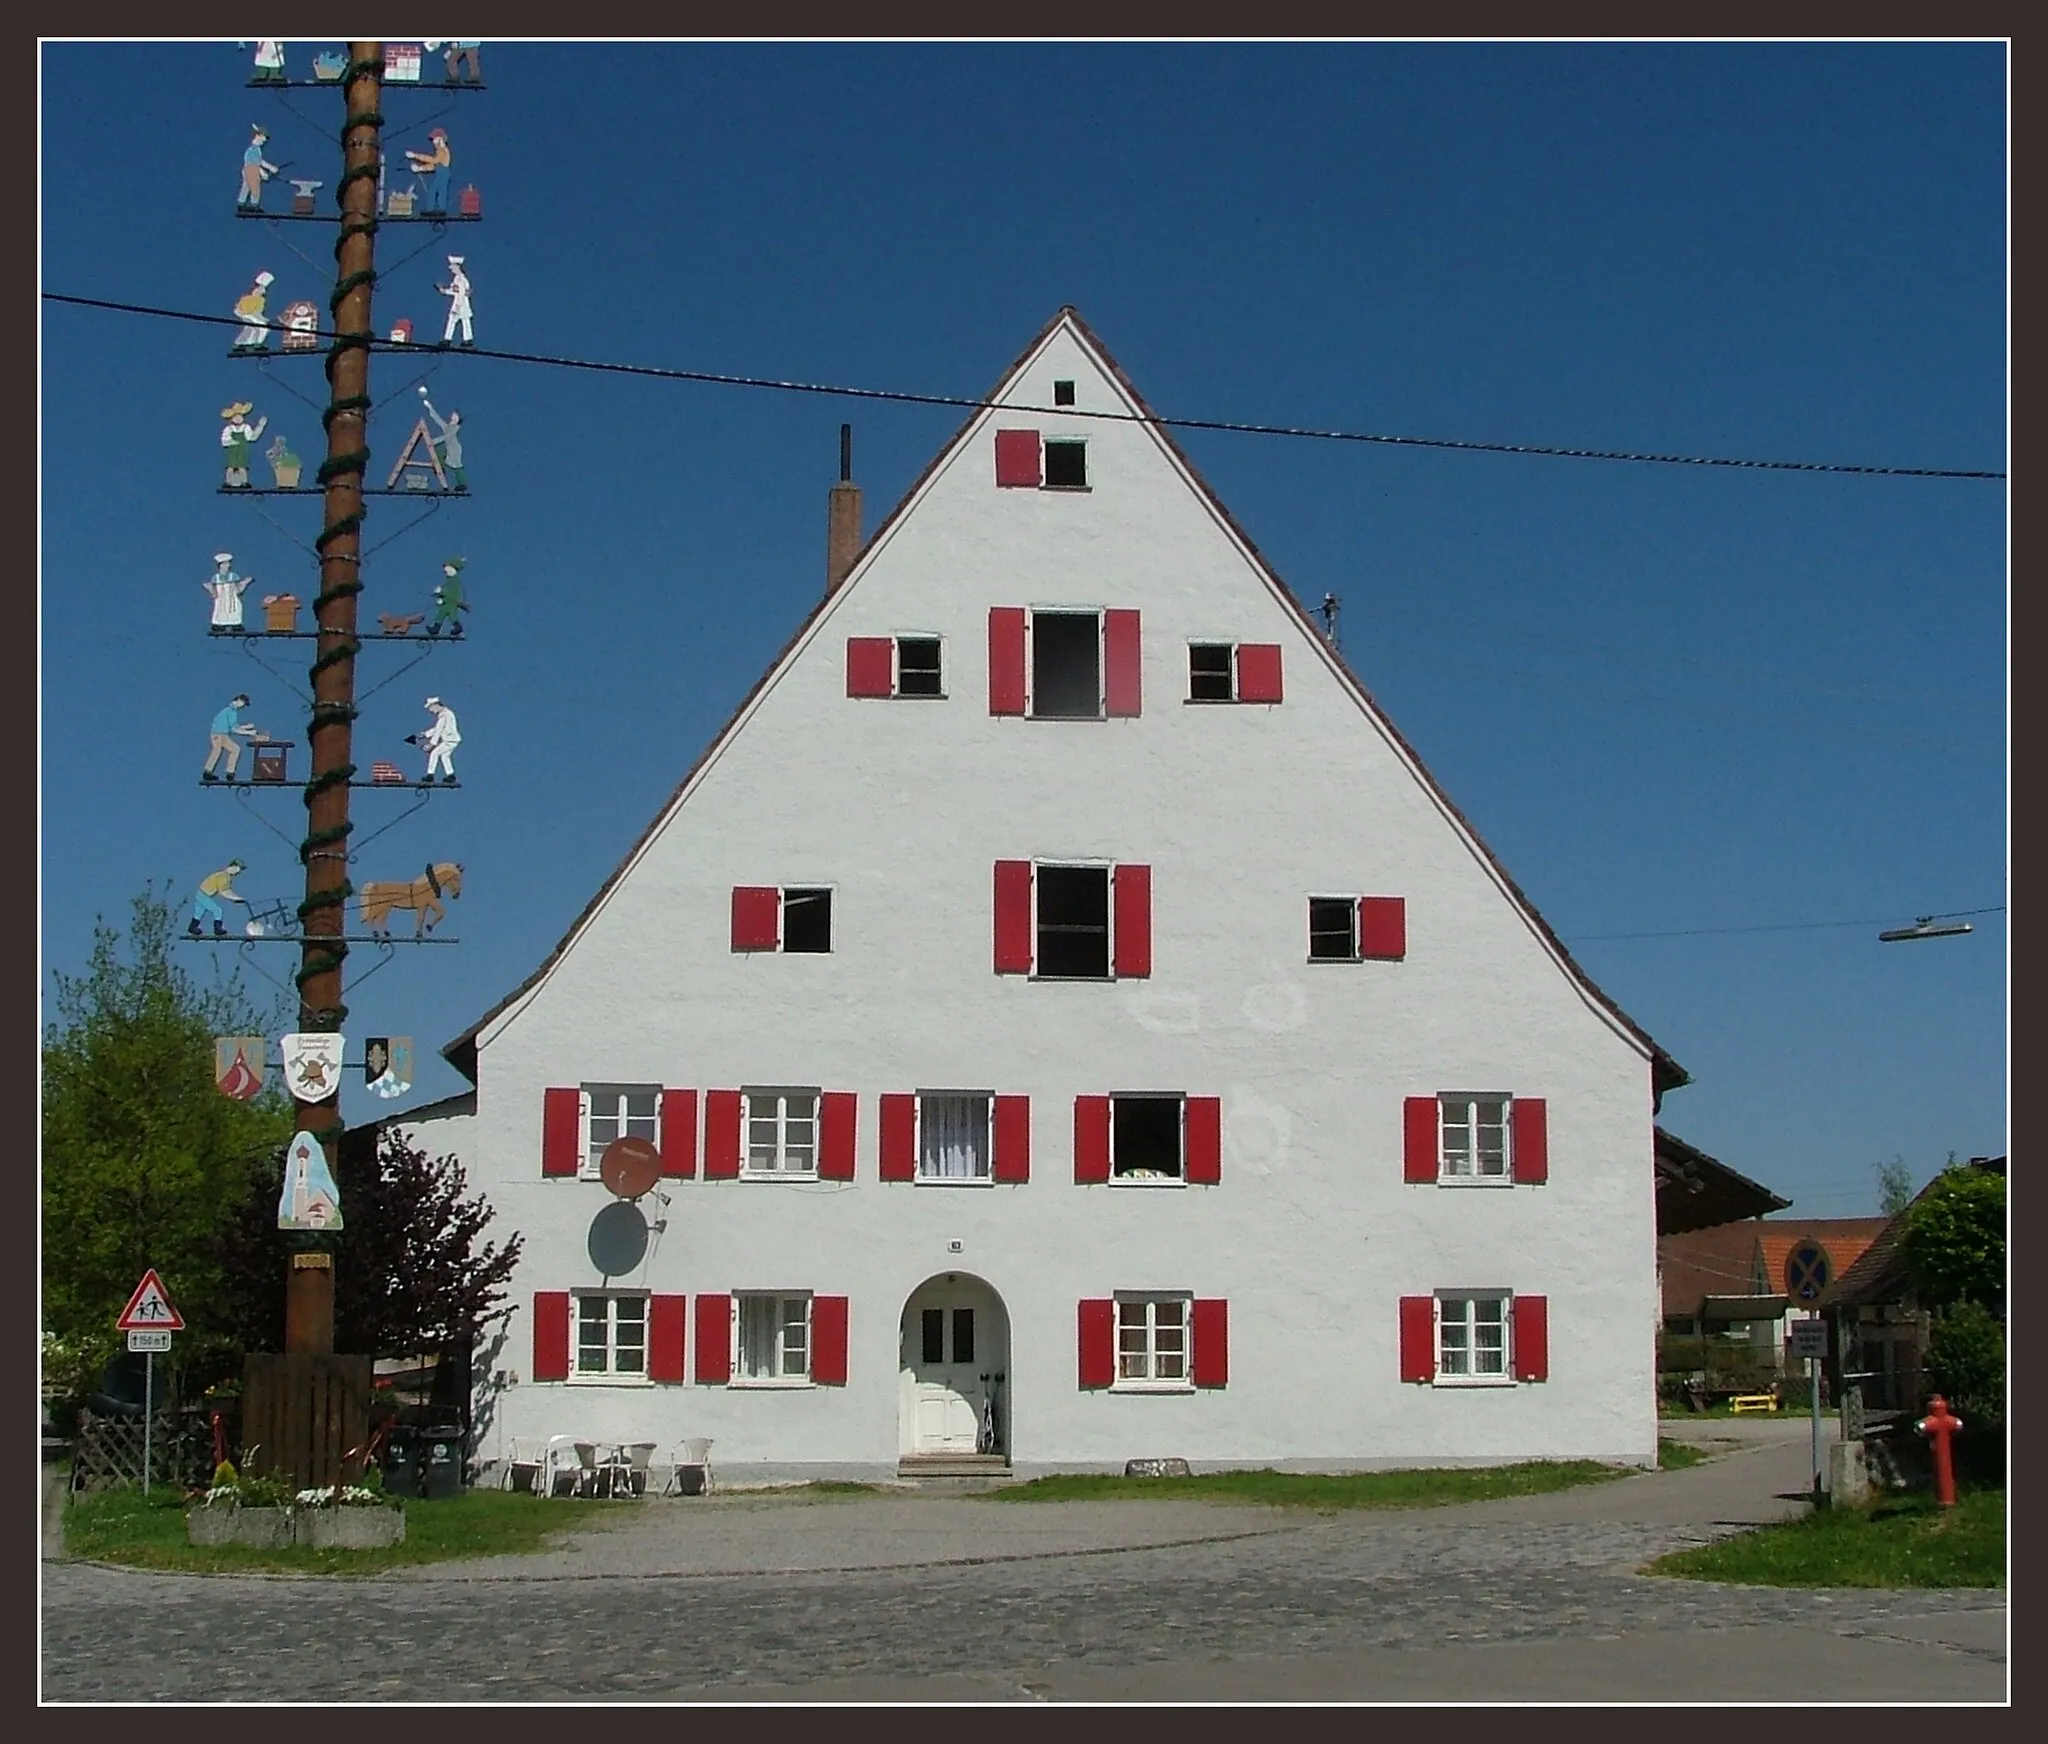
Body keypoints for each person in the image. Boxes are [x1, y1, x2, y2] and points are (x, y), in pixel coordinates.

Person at [203, 693, 261, 782]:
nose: (243, 706)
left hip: (223, 734)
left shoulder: (231, 711)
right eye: (243, 703)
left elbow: (234, 725)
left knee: (235, 749)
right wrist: (249, 733)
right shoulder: (231, 711)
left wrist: (246, 727)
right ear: (238, 700)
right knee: (217, 751)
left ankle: (230, 772)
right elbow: (234, 729)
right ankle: (208, 771)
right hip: (218, 734)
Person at [419, 390, 467, 488]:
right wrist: (429, 407)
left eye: (455, 416)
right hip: (449, 449)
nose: (452, 416)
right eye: (453, 415)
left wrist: (434, 441)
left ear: (458, 419)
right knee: (438, 452)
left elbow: (447, 437)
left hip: (454, 449)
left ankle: (462, 484)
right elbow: (437, 419)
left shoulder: (455, 428)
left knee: (457, 466)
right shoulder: (447, 427)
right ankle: (440, 467)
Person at [189, 861, 249, 938]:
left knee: (198, 913)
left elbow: (227, 890)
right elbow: (224, 891)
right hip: (204, 895)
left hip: (201, 893)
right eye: (238, 869)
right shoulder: (223, 876)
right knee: (217, 910)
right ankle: (217, 929)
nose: (238, 872)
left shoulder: (226, 876)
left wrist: (236, 898)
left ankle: (192, 928)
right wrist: (236, 898)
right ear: (233, 866)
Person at [410, 695, 461, 784]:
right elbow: (437, 728)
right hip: (452, 739)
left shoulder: (444, 715)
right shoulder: (446, 713)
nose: (432, 711)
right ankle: (450, 775)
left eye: (431, 709)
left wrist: (432, 744)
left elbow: (438, 730)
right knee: (444, 756)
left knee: (434, 754)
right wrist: (424, 734)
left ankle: (430, 775)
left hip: (450, 740)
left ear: (436, 705)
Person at [405, 128, 452, 214]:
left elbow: (434, 161)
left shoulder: (443, 151)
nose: (433, 142)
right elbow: (433, 167)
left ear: (440, 139)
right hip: (440, 174)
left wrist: (415, 156)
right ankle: (431, 209)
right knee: (434, 191)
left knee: (440, 192)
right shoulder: (439, 151)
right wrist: (420, 168)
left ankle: (441, 210)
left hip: (443, 175)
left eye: (434, 139)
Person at [220, 402, 267, 488]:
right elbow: (224, 440)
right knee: (230, 467)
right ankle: (228, 482)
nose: (238, 419)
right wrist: (232, 441)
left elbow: (252, 437)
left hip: (242, 451)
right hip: (233, 451)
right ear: (231, 418)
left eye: (240, 416)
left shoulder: (246, 428)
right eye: (235, 417)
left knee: (242, 467)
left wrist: (260, 426)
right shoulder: (229, 429)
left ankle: (244, 482)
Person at [204, 552, 252, 633]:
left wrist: (245, 583)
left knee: (235, 610)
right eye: (225, 564)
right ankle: (219, 625)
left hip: (232, 599)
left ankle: (235, 625)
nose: (227, 566)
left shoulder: (233, 576)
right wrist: (209, 588)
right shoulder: (216, 578)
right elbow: (214, 593)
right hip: (221, 600)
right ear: (220, 565)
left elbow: (238, 590)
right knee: (220, 611)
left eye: (228, 564)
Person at [232, 271, 275, 351]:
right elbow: (252, 312)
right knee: (262, 327)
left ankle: (244, 343)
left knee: (251, 328)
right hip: (246, 314)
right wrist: (264, 320)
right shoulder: (252, 299)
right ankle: (255, 343)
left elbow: (257, 313)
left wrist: (263, 319)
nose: (263, 291)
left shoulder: (259, 300)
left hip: (247, 314)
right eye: (261, 290)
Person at [435, 254, 473, 346]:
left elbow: (461, 293)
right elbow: (454, 292)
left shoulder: (461, 279)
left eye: (452, 267)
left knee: (460, 321)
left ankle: (464, 340)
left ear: (457, 267)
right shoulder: (457, 279)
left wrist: (457, 306)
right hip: (460, 303)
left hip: (461, 304)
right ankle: (455, 339)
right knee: (459, 321)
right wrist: (444, 291)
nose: (451, 269)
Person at [426, 557, 469, 636]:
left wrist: (441, 591)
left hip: (451, 603)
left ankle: (455, 628)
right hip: (447, 603)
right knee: (443, 615)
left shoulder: (454, 581)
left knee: (450, 616)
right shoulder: (449, 581)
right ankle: (436, 628)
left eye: (446, 570)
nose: (444, 571)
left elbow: (452, 593)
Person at [239, 125, 279, 209]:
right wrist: (264, 172)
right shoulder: (253, 150)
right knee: (255, 188)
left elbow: (259, 162)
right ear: (257, 136)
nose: (263, 142)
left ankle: (242, 202)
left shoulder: (256, 150)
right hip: (251, 170)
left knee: (246, 187)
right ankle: (254, 205)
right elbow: (257, 163)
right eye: (262, 140)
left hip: (248, 170)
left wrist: (270, 169)